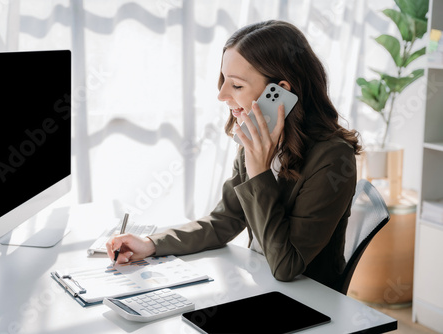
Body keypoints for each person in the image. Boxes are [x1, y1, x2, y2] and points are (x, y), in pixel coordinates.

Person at [107, 20, 361, 289]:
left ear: (280, 93)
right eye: (223, 80)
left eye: (237, 86)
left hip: (312, 301)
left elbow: (287, 265)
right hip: (265, 286)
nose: (221, 95)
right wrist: (150, 244)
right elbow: (224, 222)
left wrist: (259, 172)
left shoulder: (333, 158)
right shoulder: (255, 143)